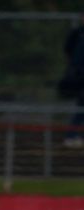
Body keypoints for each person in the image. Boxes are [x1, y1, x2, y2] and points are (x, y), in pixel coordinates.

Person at [62, 16, 84, 148]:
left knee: (81, 108)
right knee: (81, 106)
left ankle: (72, 135)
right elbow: (67, 51)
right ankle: (71, 135)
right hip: (79, 76)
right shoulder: (77, 33)